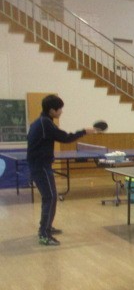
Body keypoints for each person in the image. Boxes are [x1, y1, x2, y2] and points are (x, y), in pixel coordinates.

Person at [27, 94, 100, 246]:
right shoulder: (45, 124)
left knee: (50, 197)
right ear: (52, 110)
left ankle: (46, 226)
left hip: (40, 165)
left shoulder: (41, 122)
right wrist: (84, 131)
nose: (61, 111)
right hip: (40, 166)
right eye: (59, 109)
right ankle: (44, 234)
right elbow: (65, 138)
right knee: (50, 197)